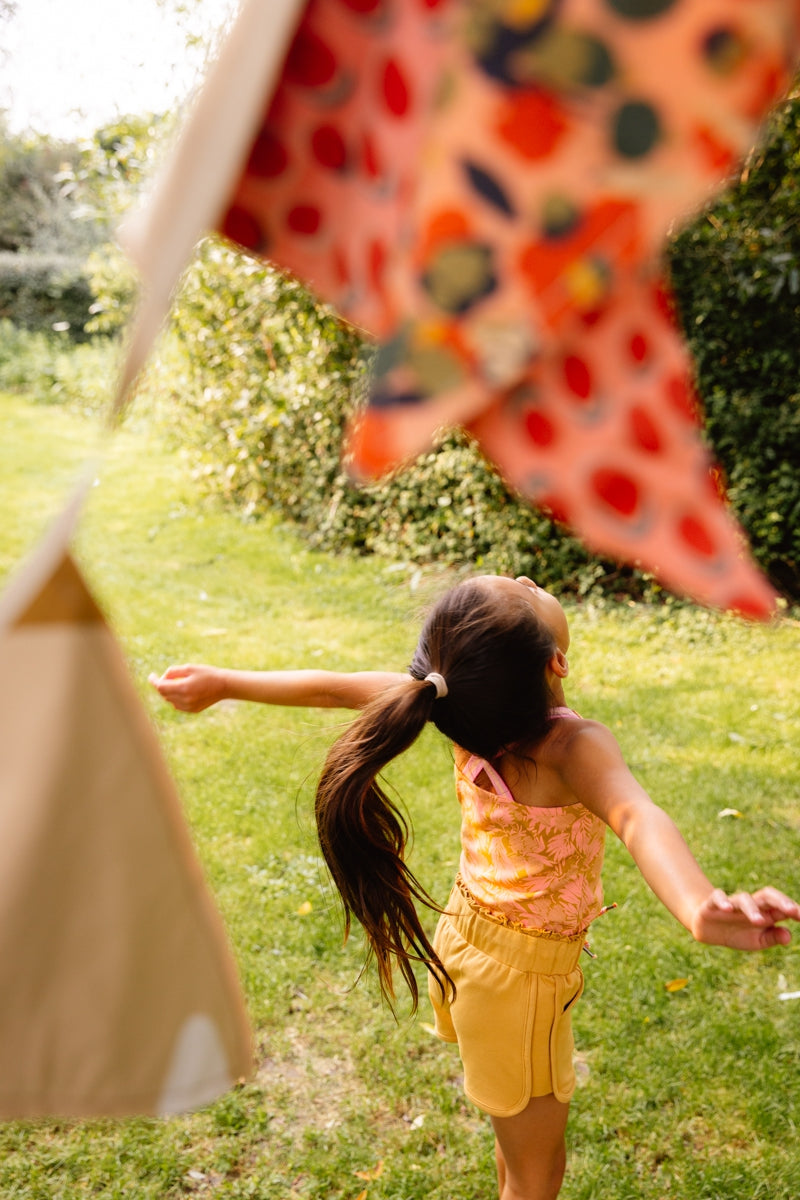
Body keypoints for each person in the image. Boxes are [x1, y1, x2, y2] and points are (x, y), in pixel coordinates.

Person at [150, 575, 800, 1200]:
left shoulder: (449, 701)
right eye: (527, 591)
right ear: (557, 664)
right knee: (536, 1177)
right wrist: (694, 903)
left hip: (467, 946)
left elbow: (331, 690)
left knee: (518, 1149)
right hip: (520, 987)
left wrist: (226, 683)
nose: (525, 577)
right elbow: (634, 815)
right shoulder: (572, 747)